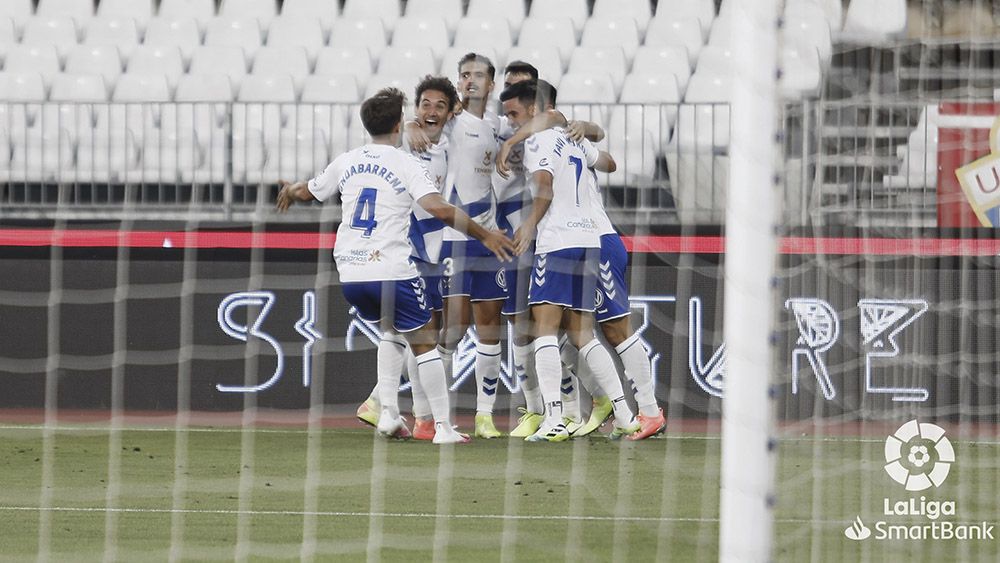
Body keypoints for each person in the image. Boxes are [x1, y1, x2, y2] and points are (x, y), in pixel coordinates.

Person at [276, 87, 515, 444]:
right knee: (425, 344)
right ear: (400, 123)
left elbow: (310, 191)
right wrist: (485, 235)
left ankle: (387, 412)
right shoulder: (405, 162)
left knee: (391, 331)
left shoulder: (347, 159)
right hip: (392, 268)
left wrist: (292, 192)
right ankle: (442, 427)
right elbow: (439, 207)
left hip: (351, 275)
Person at [500, 80, 639, 442]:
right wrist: (587, 132)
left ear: (534, 111)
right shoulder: (571, 138)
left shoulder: (539, 140)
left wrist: (530, 224)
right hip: (588, 240)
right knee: (581, 333)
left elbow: (543, 184)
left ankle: (555, 419)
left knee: (544, 328)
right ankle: (625, 414)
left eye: (515, 114)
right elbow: (609, 162)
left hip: (558, 240)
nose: (512, 122)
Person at [355, 76, 461, 440]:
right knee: (418, 333)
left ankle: (400, 411)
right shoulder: (408, 144)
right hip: (409, 248)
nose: (431, 111)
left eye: (440, 106)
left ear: (451, 112)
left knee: (422, 332)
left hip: (432, 251)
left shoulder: (449, 140)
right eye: (424, 105)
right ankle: (417, 417)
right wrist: (412, 126)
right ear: (412, 112)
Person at [411, 53, 508, 439]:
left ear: (491, 84)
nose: (470, 81)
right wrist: (408, 125)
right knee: (450, 330)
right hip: (455, 238)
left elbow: (549, 119)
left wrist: (514, 139)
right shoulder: (451, 121)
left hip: (491, 236)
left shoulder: (499, 125)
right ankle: (431, 415)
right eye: (465, 75)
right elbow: (424, 126)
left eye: (478, 75)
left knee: (490, 325)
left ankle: (484, 416)